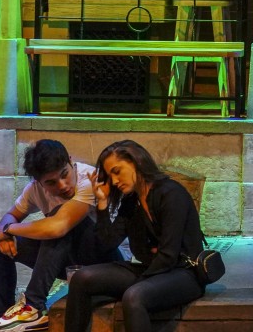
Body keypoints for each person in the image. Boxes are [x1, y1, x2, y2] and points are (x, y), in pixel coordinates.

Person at [64, 140, 210, 332]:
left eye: (117, 171)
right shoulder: (132, 202)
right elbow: (107, 243)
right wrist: (102, 203)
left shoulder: (171, 194)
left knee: (134, 296)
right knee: (82, 278)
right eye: (110, 176)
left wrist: (138, 282)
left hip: (184, 274)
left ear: (137, 161)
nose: (114, 181)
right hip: (151, 270)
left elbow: (168, 255)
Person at [0, 139, 119, 332]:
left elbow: (58, 227)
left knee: (58, 220)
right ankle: (4, 318)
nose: (63, 186)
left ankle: (33, 305)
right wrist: (1, 232)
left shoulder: (88, 178)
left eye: (65, 175)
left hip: (103, 262)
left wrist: (7, 229)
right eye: (51, 182)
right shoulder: (34, 189)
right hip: (68, 262)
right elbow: (12, 215)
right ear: (39, 182)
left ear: (70, 162)